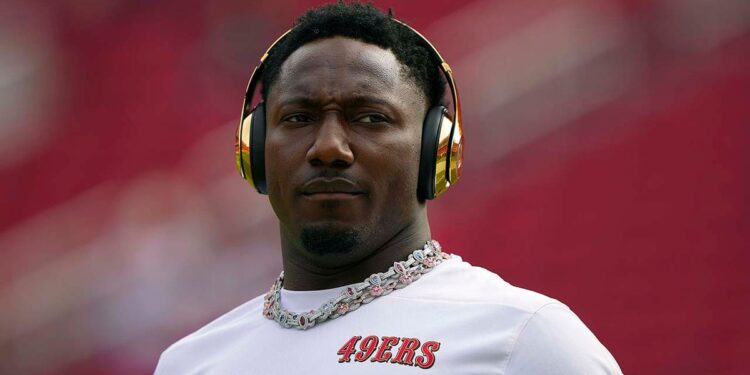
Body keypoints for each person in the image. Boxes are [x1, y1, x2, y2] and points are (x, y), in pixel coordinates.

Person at [155, 2, 622, 374]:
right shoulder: (190, 363)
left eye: (370, 118)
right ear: (253, 149)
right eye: (298, 118)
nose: (328, 147)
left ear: (436, 149)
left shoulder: (524, 341)